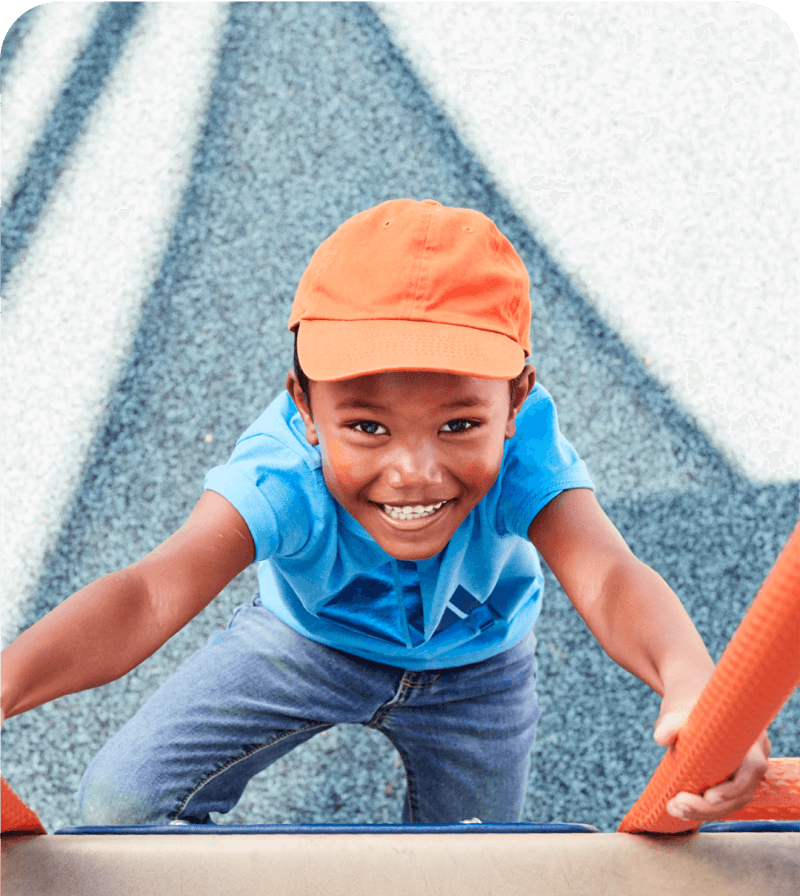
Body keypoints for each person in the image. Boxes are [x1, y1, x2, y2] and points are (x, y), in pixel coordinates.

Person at [0, 198, 769, 827]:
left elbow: (606, 576)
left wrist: (690, 677)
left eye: (459, 425)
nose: (413, 470)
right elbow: (149, 592)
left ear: (515, 402)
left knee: (471, 885)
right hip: (307, 643)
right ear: (304, 406)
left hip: (480, 670)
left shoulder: (527, 447)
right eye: (367, 427)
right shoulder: (284, 471)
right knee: (117, 803)